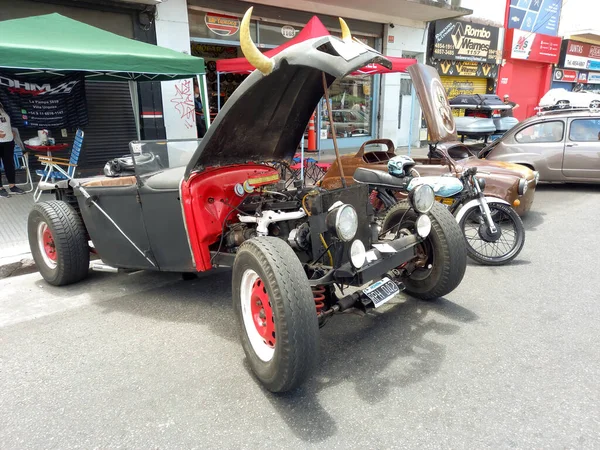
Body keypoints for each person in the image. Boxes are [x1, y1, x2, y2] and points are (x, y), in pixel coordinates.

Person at [0, 102, 25, 198]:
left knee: (9, 164)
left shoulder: (3, 109)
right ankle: (0, 189)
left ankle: (12, 186)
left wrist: (12, 132)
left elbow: (6, 123)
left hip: (8, 141)